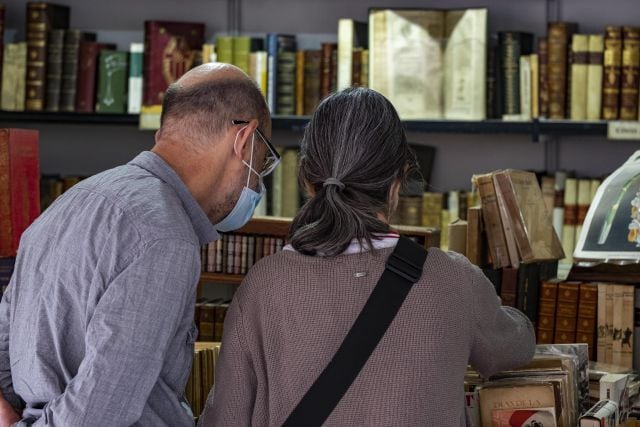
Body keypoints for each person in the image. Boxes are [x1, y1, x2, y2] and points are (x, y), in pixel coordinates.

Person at [198, 87, 536, 426]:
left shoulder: (263, 285)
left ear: (306, 179)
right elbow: (515, 350)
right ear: (398, 182)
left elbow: (225, 417)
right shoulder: (453, 279)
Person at [0, 63, 276, 426]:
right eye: (264, 160)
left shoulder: (70, 201)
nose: (258, 183)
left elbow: (5, 352)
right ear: (244, 140)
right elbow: (100, 413)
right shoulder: (165, 237)